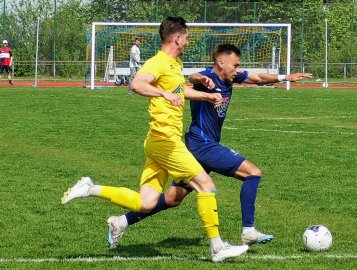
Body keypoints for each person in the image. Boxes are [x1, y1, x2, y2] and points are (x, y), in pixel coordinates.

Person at [61, 18, 248, 263]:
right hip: (166, 141)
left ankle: (89, 188)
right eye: (187, 37)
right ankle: (217, 248)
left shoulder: (174, 63)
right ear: (177, 38)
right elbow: (137, 84)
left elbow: (179, 91)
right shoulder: (158, 62)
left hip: (157, 141)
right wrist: (163, 93)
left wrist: (205, 94)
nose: (188, 42)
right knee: (206, 186)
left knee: (147, 203)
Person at [106, 44, 313, 248]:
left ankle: (121, 221)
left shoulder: (230, 76)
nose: (238, 69)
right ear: (221, 62)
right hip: (202, 144)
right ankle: (248, 231)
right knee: (252, 173)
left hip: (200, 146)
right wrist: (201, 79)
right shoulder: (208, 78)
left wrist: (286, 77)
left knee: (172, 199)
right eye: (235, 65)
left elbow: (257, 78)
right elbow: (193, 77)